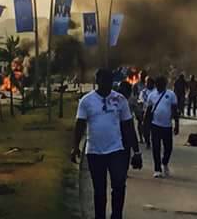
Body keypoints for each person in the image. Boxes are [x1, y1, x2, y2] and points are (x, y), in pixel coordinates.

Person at [71, 69, 142, 219]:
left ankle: (116, 215)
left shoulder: (120, 100)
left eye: (109, 81)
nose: (106, 84)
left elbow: (128, 126)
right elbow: (80, 125)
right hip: (94, 152)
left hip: (116, 151)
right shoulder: (86, 101)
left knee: (118, 186)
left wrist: (136, 151)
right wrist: (75, 147)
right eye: (103, 80)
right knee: (99, 191)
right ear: (97, 81)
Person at [146, 76, 179, 178]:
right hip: (155, 125)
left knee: (168, 148)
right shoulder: (151, 95)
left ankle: (164, 162)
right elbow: (148, 111)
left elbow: (174, 110)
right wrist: (146, 125)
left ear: (165, 84)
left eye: (162, 84)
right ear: (156, 85)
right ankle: (157, 169)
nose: (160, 86)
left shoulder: (171, 94)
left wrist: (177, 124)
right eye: (158, 84)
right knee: (156, 147)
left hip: (167, 126)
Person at [139, 76, 155, 149]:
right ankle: (147, 141)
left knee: (154, 128)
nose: (147, 84)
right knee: (145, 128)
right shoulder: (143, 92)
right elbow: (140, 100)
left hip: (154, 112)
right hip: (145, 111)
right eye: (146, 82)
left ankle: (154, 141)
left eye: (149, 82)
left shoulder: (156, 92)